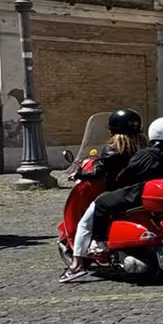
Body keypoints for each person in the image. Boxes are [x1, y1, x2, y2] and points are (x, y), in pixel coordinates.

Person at [64, 118, 163, 280]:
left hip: (136, 194)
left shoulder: (146, 154)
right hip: (160, 196)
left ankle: (86, 255)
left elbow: (125, 175)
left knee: (100, 205)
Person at [62, 108, 145, 279]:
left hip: (118, 193)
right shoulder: (144, 145)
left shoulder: (113, 147)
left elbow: (97, 172)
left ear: (113, 128)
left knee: (84, 224)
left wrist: (78, 174)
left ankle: (77, 265)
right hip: (140, 192)